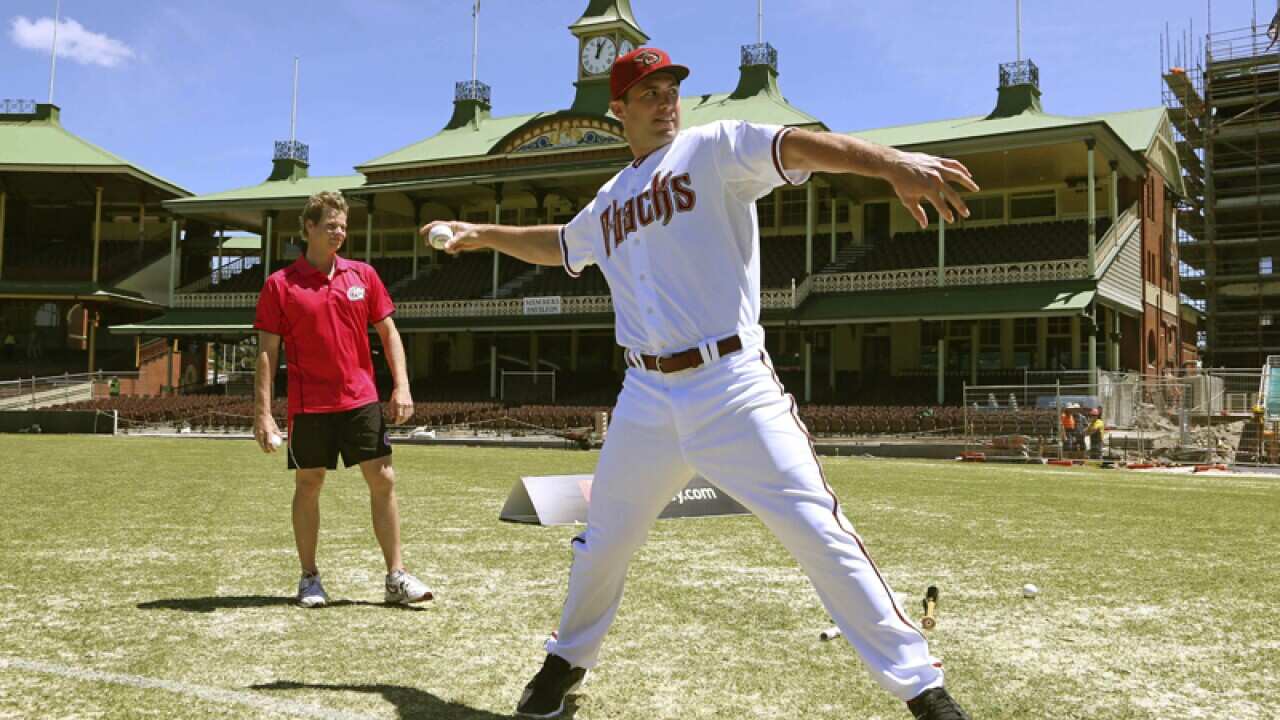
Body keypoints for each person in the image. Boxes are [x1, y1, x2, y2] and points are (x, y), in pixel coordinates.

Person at [423, 47, 976, 720]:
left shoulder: (715, 148)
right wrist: (479, 233)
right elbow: (561, 245)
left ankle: (924, 690)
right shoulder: (610, 199)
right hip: (646, 398)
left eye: (670, 88)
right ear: (618, 109)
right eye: (647, 92)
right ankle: (563, 664)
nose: (664, 100)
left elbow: (800, 146)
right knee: (604, 540)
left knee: (818, 529)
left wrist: (891, 164)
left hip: (733, 385)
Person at [253, 190, 432, 608]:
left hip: (360, 399)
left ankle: (396, 577)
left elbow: (389, 333)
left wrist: (401, 385)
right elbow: (267, 352)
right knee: (309, 483)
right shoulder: (280, 285)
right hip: (308, 404)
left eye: (343, 226)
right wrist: (263, 414)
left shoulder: (363, 276)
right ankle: (310, 578)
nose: (339, 233)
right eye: (331, 225)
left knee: (383, 480)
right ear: (309, 228)